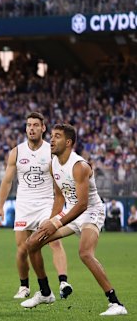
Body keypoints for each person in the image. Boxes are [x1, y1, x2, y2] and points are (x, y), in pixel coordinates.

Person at [22, 124, 128, 316]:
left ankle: (116, 303)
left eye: (57, 137)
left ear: (68, 142)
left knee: (85, 253)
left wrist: (56, 223)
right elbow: (60, 198)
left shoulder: (79, 166)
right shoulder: (53, 162)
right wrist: (50, 220)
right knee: (32, 243)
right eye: (51, 136)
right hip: (70, 212)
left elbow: (83, 205)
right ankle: (45, 293)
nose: (51, 140)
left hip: (90, 212)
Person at [0, 112, 72, 299]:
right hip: (23, 206)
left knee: (54, 241)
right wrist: (0, 207)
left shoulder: (51, 151)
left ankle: (63, 282)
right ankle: (24, 287)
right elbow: (7, 181)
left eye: (36, 125)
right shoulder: (17, 152)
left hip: (46, 204)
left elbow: (59, 182)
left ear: (43, 128)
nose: (32, 128)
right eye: (29, 125)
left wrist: (59, 206)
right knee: (22, 249)